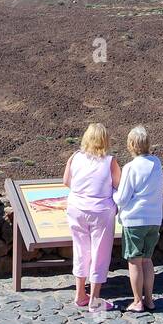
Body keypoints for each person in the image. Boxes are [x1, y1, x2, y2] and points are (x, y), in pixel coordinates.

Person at [63, 123, 121, 311]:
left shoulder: (75, 157)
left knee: (80, 250)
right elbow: (119, 184)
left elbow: (66, 181)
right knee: (100, 253)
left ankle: (80, 294)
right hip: (100, 211)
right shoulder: (110, 161)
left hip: (76, 208)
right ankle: (95, 299)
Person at [113, 126, 163, 313]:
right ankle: (149, 299)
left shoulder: (130, 168)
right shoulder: (156, 163)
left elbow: (123, 197)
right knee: (147, 260)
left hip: (135, 220)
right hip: (154, 219)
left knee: (135, 261)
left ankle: (137, 300)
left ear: (132, 144)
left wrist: (112, 195)